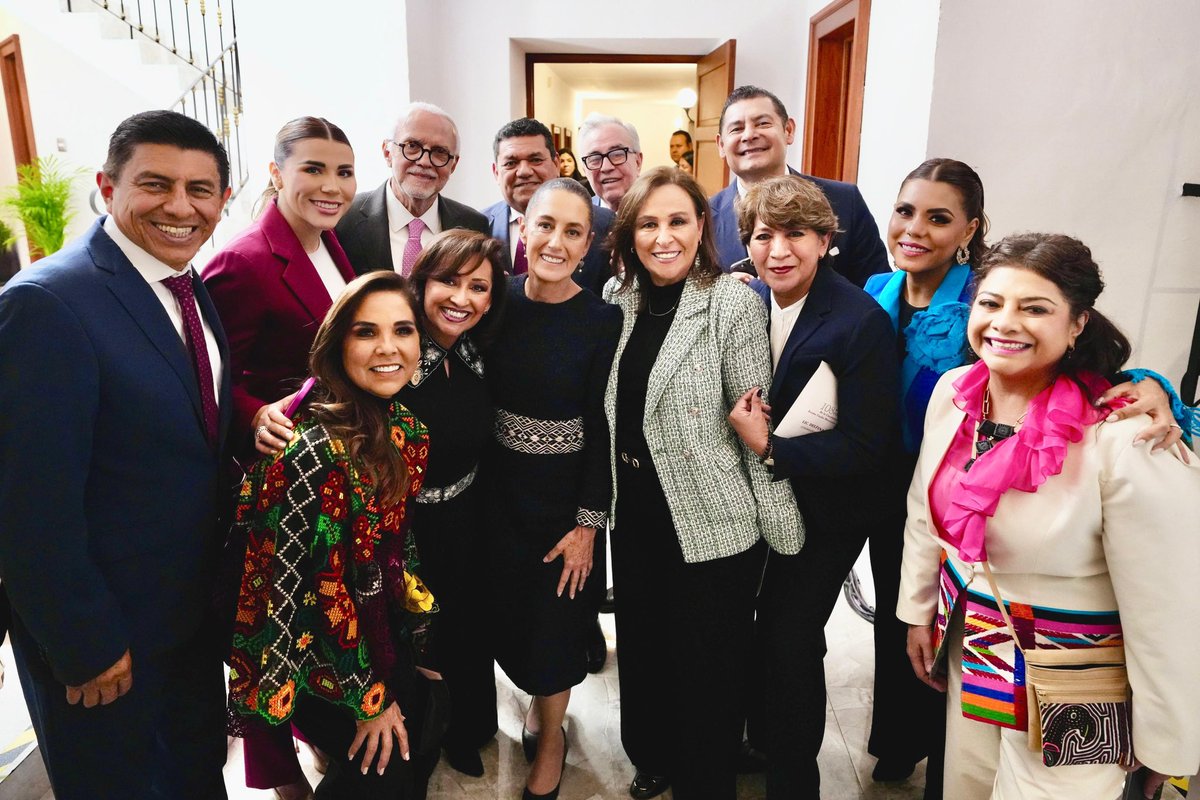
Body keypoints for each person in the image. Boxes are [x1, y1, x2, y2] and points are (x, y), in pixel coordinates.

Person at [864, 159, 1190, 798]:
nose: (1005, 324)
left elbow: (1169, 603)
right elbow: (925, 515)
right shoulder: (956, 393)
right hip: (975, 643)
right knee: (965, 785)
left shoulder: (1124, 435)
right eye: (991, 303)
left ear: (1076, 325)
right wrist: (916, 614)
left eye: (1035, 309)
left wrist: (1165, 741)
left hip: (1079, 671)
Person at [0, 110, 233, 798]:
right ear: (107, 186)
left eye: (201, 189)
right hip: (107, 641)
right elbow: (28, 506)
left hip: (184, 623)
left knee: (193, 776)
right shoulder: (48, 304)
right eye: (156, 185)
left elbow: (185, 434)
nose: (181, 206)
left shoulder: (186, 285)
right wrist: (84, 643)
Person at [603, 166, 803, 800]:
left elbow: (753, 420)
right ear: (629, 233)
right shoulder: (616, 299)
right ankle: (653, 754)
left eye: (678, 221)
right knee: (642, 645)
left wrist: (778, 518)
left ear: (701, 228)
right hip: (632, 512)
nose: (664, 237)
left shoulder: (731, 303)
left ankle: (704, 779)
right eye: (649, 223)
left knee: (708, 665)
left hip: (712, 518)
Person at [228, 270, 442, 799]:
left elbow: (398, 549)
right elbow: (314, 595)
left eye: (404, 330)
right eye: (366, 332)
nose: (388, 347)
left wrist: (415, 640)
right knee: (386, 770)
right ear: (335, 345)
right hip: (314, 652)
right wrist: (368, 699)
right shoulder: (313, 453)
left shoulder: (409, 431)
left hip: (377, 633)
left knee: (430, 724)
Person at [725, 174, 898, 799]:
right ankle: (760, 738)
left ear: (826, 240)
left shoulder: (858, 321)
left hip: (832, 509)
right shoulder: (750, 298)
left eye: (796, 234)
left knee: (790, 636)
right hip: (768, 501)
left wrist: (769, 447)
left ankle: (794, 778)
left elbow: (865, 445)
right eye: (764, 236)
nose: (778, 250)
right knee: (757, 629)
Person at [483, 177, 621, 800]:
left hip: (564, 508)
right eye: (545, 226)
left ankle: (555, 735)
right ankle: (531, 715)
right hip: (493, 500)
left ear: (589, 243)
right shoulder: (493, 300)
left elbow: (604, 424)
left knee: (557, 631)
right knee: (509, 622)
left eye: (572, 231)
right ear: (522, 228)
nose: (556, 242)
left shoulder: (602, 320)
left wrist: (589, 525)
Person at [401, 230, 509, 777]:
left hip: (468, 514)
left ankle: (467, 728)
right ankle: (418, 741)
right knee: (418, 639)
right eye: (448, 281)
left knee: (468, 626)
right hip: (407, 526)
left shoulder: (472, 351)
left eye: (479, 287)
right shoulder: (395, 357)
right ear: (421, 283)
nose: (462, 298)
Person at [204, 116, 357, 465]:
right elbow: (208, 375)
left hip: (333, 446)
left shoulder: (330, 239)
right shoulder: (242, 261)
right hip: (281, 458)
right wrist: (255, 416)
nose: (333, 187)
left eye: (344, 172)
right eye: (314, 170)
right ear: (277, 173)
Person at [709, 85, 889, 286]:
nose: (749, 135)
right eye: (737, 129)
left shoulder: (845, 201)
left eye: (762, 123)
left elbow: (876, 290)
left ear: (788, 131)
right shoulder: (703, 218)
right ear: (721, 145)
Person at [336, 102, 489, 277]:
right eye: (412, 146)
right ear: (387, 153)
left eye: (439, 151)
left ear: (453, 165)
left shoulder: (473, 226)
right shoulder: (345, 218)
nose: (424, 161)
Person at [482, 118, 613, 296]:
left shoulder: (606, 224)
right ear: (496, 172)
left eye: (535, 159)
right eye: (511, 163)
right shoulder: (478, 226)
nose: (524, 171)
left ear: (556, 163)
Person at [577, 113, 644, 212]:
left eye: (617, 154)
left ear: (638, 162)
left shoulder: (662, 213)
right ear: (585, 170)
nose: (606, 167)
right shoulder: (578, 217)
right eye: (595, 159)